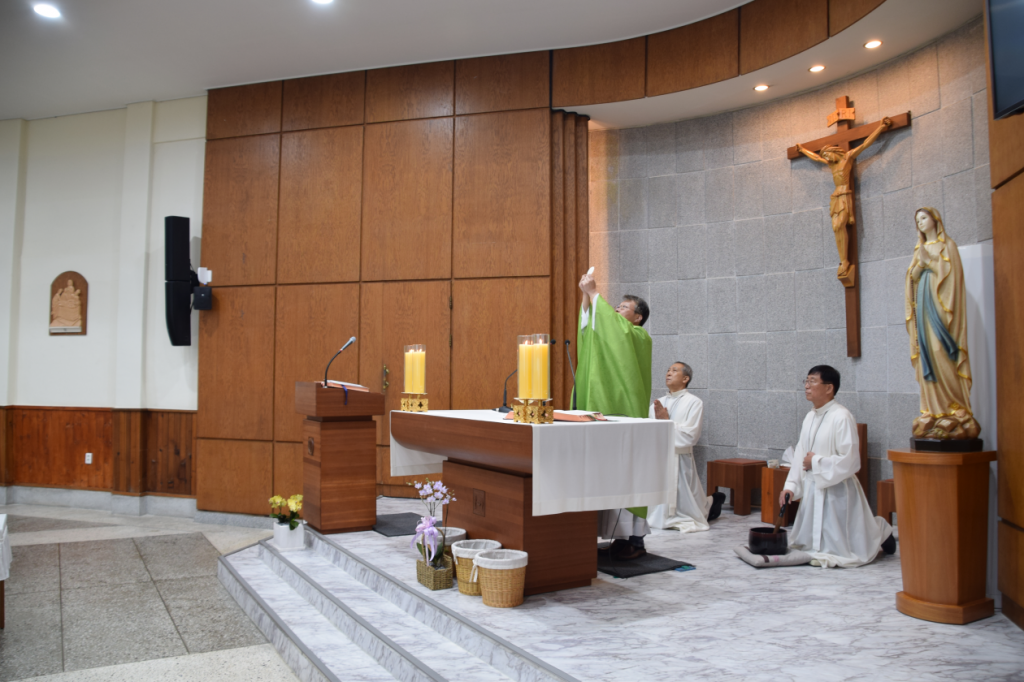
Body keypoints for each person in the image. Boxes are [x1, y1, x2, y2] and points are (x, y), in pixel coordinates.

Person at [779, 365, 896, 567]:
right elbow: (800, 455)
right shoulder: (810, 417)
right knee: (807, 546)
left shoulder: (842, 416)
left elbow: (851, 460)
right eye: (806, 381)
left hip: (837, 489)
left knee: (845, 544)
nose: (806, 386)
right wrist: (790, 486)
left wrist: (816, 462)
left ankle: (881, 531)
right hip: (814, 487)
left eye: (812, 381)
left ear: (829, 388)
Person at [576, 271, 652, 560]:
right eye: (616, 306)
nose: (617, 309)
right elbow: (590, 331)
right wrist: (587, 298)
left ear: (638, 318)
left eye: (624, 307)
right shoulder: (610, 334)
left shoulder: (638, 337)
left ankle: (635, 540)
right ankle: (615, 537)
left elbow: (614, 329)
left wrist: (595, 293)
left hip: (625, 413)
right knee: (604, 473)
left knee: (627, 473)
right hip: (604, 412)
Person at [904, 207, 980, 441]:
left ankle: (956, 407)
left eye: (923, 218)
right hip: (923, 306)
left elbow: (953, 279)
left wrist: (931, 263)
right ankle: (933, 409)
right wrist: (921, 265)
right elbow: (912, 278)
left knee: (942, 351)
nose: (920, 222)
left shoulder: (948, 246)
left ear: (935, 219)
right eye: (917, 220)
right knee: (927, 353)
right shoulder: (919, 248)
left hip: (941, 305)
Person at [647, 362, 725, 532]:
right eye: (668, 370)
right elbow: (652, 434)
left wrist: (666, 422)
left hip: (681, 458)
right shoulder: (658, 403)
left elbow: (691, 435)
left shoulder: (694, 402)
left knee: (687, 498)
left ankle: (711, 504)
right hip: (661, 458)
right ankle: (711, 503)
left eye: (674, 370)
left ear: (685, 379)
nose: (668, 373)